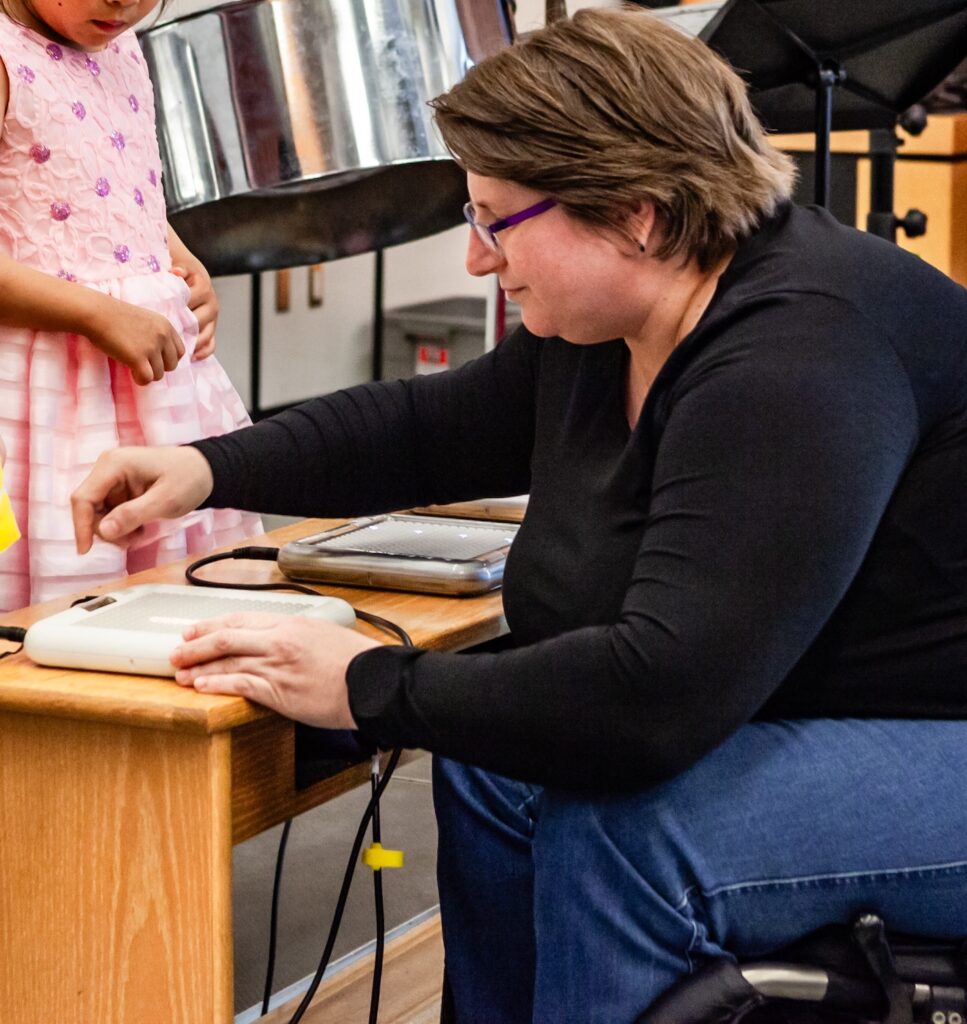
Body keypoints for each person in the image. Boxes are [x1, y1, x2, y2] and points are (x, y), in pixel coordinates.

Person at [71, 9, 967, 1022]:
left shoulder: (798, 358)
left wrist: (367, 688)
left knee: (629, 833)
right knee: (496, 769)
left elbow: (655, 698)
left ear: (637, 213)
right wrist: (204, 466)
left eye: (497, 220)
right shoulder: (623, 312)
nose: (477, 260)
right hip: (811, 708)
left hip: (941, 741)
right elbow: (431, 427)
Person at [0, 0, 260, 611]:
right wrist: (95, 312)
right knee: (62, 614)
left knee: (173, 603)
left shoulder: (120, 45)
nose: (124, 1)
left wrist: (174, 254)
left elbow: (101, 179)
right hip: (46, 405)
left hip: (154, 401)